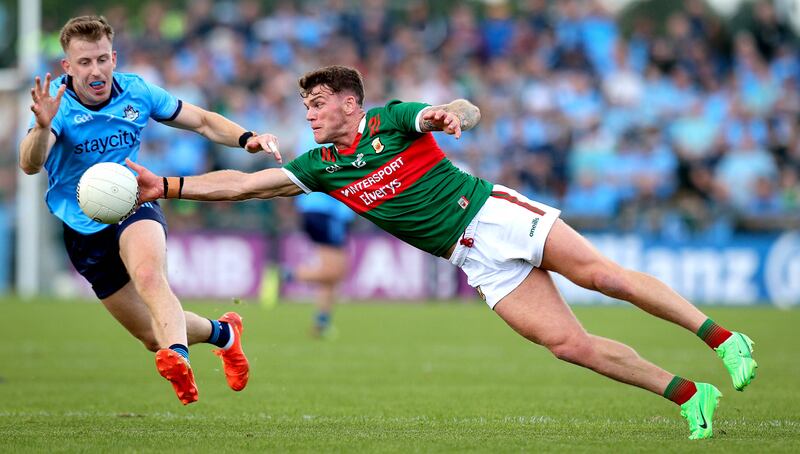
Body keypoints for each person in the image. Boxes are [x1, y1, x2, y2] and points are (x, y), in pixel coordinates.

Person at [128, 65, 757, 438]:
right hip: (473, 259)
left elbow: (447, 109)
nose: (310, 115)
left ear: (352, 102)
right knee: (570, 345)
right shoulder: (321, 165)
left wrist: (451, 115)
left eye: (318, 104)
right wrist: (171, 186)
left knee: (602, 276)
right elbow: (243, 185)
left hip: (494, 215)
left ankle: (723, 337)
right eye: (306, 107)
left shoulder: (392, 120)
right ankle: (687, 396)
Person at [18, 16, 280, 405]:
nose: (96, 71)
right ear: (67, 68)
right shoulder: (55, 103)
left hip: (133, 202)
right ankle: (223, 334)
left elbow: (204, 122)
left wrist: (247, 138)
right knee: (149, 334)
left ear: (114, 58)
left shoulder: (137, 92)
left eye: (103, 59)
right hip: (80, 229)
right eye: (85, 62)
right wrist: (41, 127)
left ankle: (178, 357)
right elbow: (29, 164)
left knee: (149, 275)